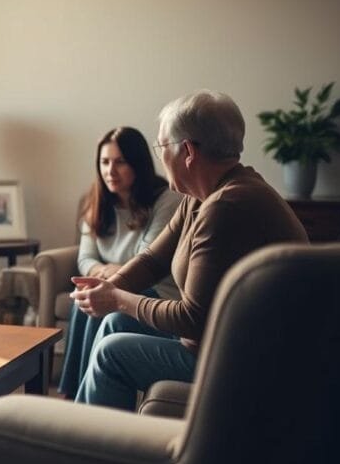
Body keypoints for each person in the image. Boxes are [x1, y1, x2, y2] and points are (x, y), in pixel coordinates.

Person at [71, 90, 308, 410]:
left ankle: (89, 451)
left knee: (111, 351)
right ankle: (78, 425)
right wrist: (110, 287)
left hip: (246, 359)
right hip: (217, 341)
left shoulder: (227, 206)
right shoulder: (202, 196)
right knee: (116, 323)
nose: (159, 155)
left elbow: (192, 318)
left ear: (187, 152)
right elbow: (153, 259)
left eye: (161, 146)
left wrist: (115, 299)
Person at [57, 126, 181, 399]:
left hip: (155, 292)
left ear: (138, 163)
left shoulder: (166, 201)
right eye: (104, 162)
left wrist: (106, 277)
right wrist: (105, 274)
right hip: (117, 284)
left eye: (120, 162)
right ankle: (74, 392)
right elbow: (85, 258)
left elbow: (146, 260)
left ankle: (84, 395)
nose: (110, 171)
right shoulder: (96, 202)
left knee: (100, 304)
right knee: (83, 303)